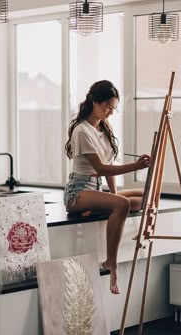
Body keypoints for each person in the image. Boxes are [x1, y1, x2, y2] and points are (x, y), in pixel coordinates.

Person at [64, 80, 150, 295]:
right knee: (123, 204)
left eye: (113, 108)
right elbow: (101, 168)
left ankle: (100, 206)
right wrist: (136, 166)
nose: (110, 112)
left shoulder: (102, 127)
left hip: (95, 190)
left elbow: (108, 165)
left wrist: (112, 198)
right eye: (107, 107)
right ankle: (111, 261)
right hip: (78, 192)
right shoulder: (82, 131)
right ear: (94, 101)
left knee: (148, 196)